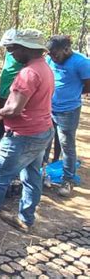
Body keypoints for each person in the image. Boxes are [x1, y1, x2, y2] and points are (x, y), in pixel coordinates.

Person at [0, 29, 54, 233]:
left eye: (13, 49)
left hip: (23, 134)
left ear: (26, 49)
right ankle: (26, 219)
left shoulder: (28, 74)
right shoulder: (45, 68)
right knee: (32, 177)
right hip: (42, 130)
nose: (11, 54)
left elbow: (15, 109)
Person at [44, 35, 90, 197]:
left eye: (55, 54)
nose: (52, 58)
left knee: (67, 146)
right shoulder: (50, 60)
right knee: (44, 141)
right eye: (50, 55)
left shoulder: (81, 62)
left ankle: (67, 179)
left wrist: (72, 94)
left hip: (69, 111)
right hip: (49, 108)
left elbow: (87, 86)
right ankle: (43, 173)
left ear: (66, 49)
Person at [0, 30, 23, 143]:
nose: (7, 49)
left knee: (5, 115)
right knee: (0, 114)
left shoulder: (22, 57)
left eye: (9, 46)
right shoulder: (9, 53)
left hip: (12, 92)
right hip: (4, 89)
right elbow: (5, 70)